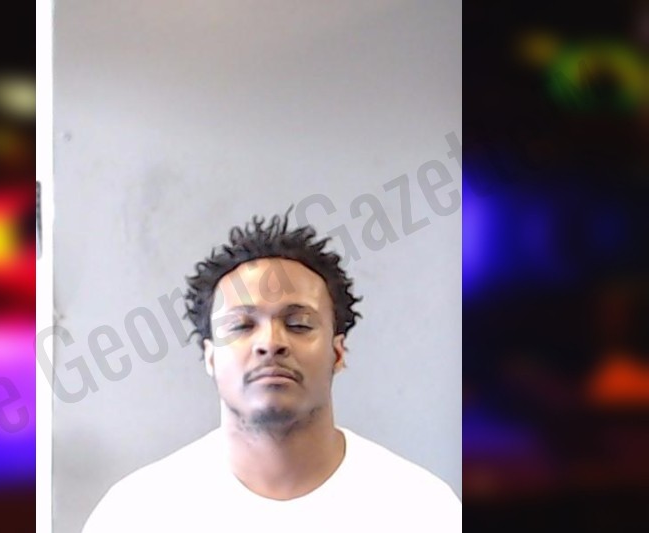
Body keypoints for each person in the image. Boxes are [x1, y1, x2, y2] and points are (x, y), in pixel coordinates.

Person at [83, 211, 461, 532]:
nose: (270, 342)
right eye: (241, 326)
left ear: (337, 352)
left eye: (298, 324)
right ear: (210, 357)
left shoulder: (423, 510)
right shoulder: (137, 513)